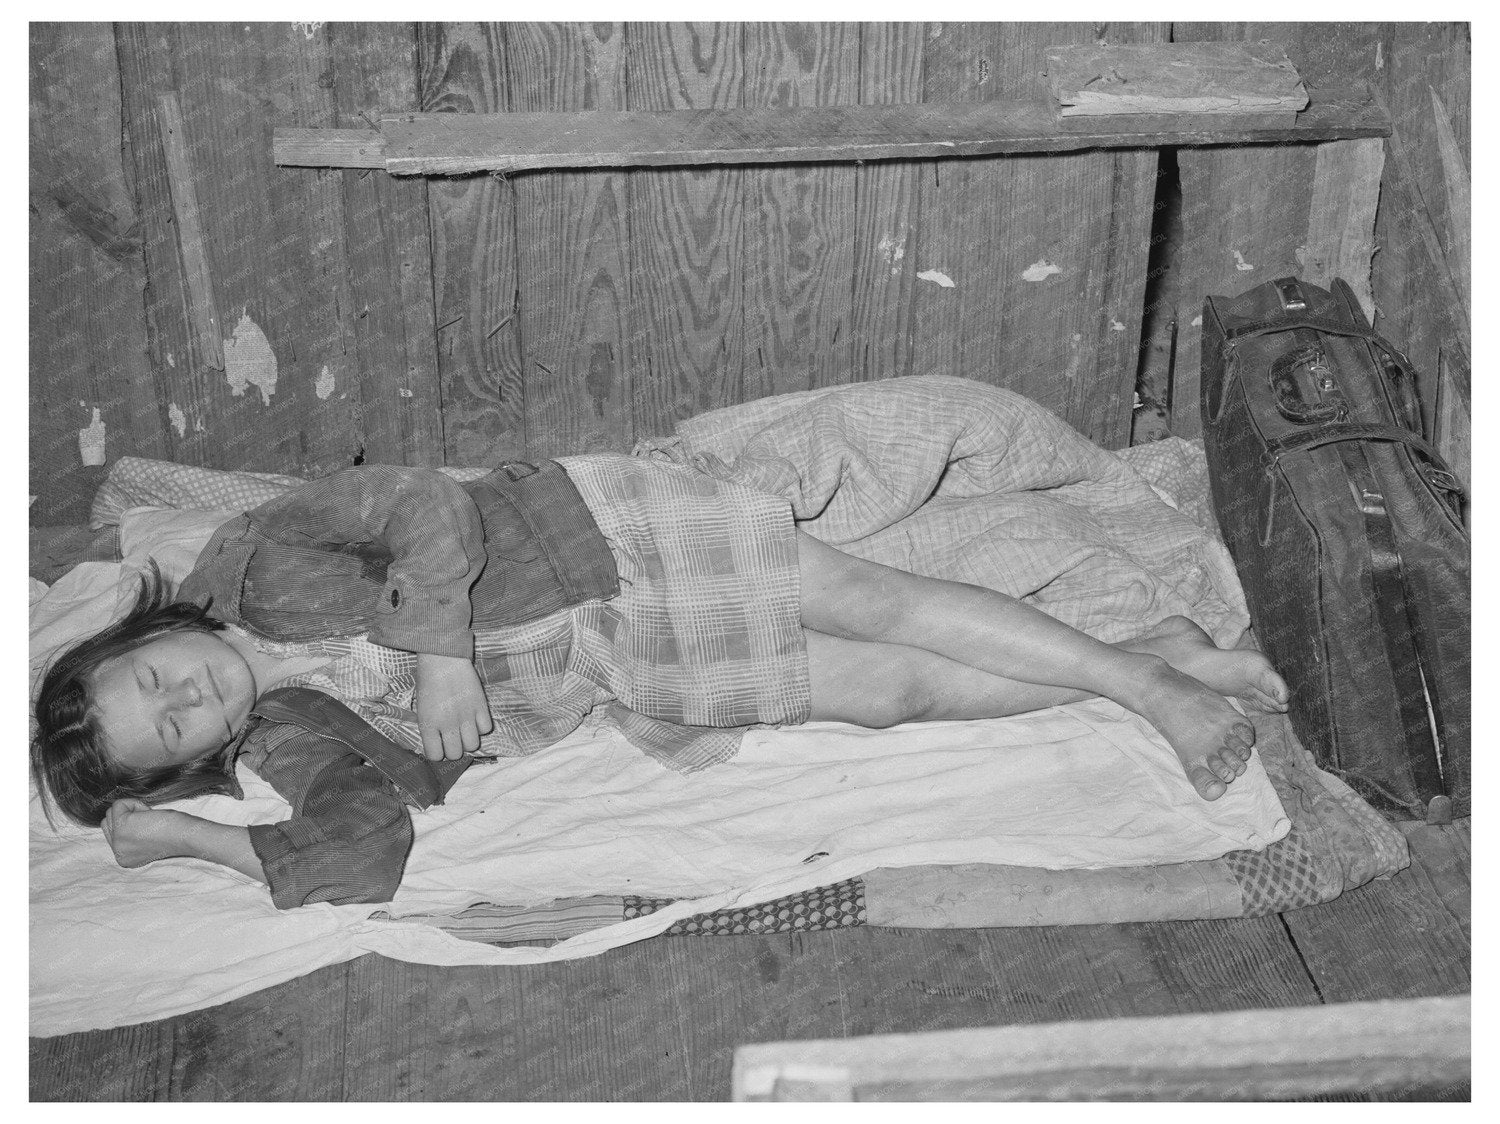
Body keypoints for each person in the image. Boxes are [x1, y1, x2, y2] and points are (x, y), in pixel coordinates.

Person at [32, 451, 1288, 910]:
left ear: (143, 633)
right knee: (892, 692)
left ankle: (1154, 687)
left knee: (873, 597)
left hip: (600, 536)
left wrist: (441, 649)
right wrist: (188, 839)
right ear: (190, 758)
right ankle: (1162, 658)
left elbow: (418, 500)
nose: (188, 696)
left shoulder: (252, 556)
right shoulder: (284, 742)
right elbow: (362, 856)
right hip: (620, 657)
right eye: (172, 731)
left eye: (154, 676)